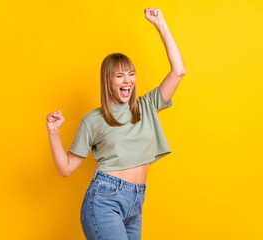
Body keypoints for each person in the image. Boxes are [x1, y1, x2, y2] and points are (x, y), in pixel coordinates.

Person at [46, 7, 186, 240]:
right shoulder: (93, 120)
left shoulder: (147, 105)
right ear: (107, 80)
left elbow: (179, 71)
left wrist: (160, 24)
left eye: (131, 74)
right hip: (104, 201)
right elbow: (65, 168)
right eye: (119, 75)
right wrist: (53, 131)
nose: (128, 80)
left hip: (136, 202)